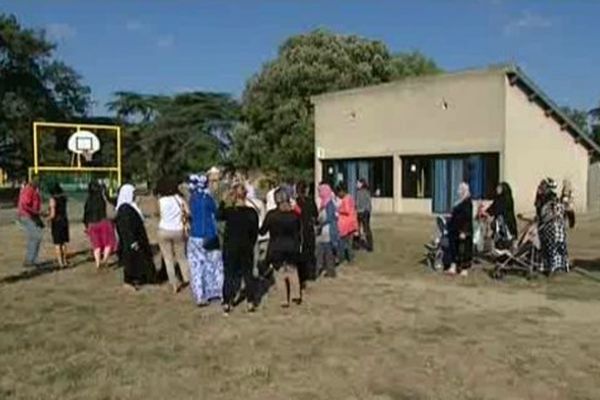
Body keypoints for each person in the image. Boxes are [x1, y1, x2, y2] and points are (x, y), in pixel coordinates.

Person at [219, 184, 259, 313]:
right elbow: (255, 232)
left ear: (234, 196)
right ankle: (250, 301)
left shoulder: (230, 212)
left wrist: (223, 200)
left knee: (229, 274)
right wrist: (251, 243)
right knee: (248, 274)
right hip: (246, 246)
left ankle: (227, 301)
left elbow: (218, 215)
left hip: (231, 246)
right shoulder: (252, 212)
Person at [260, 188, 302, 307]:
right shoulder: (294, 215)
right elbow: (299, 231)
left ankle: (284, 300)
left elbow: (263, 231)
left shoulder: (272, 215)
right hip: (292, 246)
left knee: (279, 274)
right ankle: (296, 295)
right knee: (293, 271)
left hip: (276, 247)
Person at [187, 174, 224, 306]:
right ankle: (216, 291)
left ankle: (199, 295)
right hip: (210, 234)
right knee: (215, 264)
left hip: (195, 235)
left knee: (196, 266)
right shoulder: (208, 199)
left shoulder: (192, 198)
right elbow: (216, 212)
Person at [114, 184, 156, 290]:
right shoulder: (124, 209)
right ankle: (130, 281)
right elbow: (126, 228)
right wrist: (132, 241)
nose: (134, 196)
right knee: (132, 261)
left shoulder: (130, 206)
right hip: (131, 241)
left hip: (137, 239)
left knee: (141, 260)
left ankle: (142, 278)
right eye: (132, 194)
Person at [156, 177, 190, 293]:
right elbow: (188, 212)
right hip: (178, 230)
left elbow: (158, 214)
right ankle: (187, 278)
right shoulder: (179, 199)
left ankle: (173, 283)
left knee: (168, 259)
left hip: (164, 229)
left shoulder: (161, 201)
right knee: (181, 256)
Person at [538, 178, 569, 273]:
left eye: (544, 186)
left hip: (554, 228)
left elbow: (556, 214)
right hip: (547, 228)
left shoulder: (553, 200)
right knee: (547, 246)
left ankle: (556, 266)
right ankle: (548, 266)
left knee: (555, 246)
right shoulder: (543, 199)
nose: (541, 188)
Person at [83, 181, 117, 269]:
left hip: (92, 224)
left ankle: (98, 263)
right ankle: (104, 259)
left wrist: (86, 226)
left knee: (96, 246)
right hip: (103, 222)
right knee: (108, 243)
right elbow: (113, 202)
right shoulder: (102, 197)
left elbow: (86, 214)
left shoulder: (88, 200)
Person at [446, 182, 473, 276]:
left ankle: (464, 268)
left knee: (464, 250)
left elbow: (467, 218)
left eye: (462, 190)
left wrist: (464, 231)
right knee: (454, 248)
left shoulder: (468, 202)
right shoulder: (459, 202)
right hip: (454, 229)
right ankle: (453, 266)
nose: (459, 192)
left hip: (463, 230)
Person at [17, 178, 44, 267]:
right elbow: (25, 205)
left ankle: (32, 259)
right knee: (35, 237)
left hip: (32, 216)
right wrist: (36, 212)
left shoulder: (33, 191)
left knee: (36, 236)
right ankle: (29, 260)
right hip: (27, 216)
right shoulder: (29, 190)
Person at [484, 182, 518, 246]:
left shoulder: (507, 199)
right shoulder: (497, 198)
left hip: (506, 222)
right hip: (498, 222)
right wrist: (486, 212)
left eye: (499, 188)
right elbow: (493, 207)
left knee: (504, 239)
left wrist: (492, 214)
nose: (497, 189)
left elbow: (501, 210)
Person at [317, 183, 340, 276]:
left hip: (328, 231)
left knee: (325, 251)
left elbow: (329, 217)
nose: (319, 193)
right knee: (326, 251)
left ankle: (326, 270)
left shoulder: (329, 204)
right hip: (326, 231)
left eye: (320, 191)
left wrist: (321, 223)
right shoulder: (327, 202)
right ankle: (329, 270)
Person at [48, 183, 70, 268]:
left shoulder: (53, 199)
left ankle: (60, 263)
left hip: (57, 222)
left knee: (57, 243)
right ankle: (65, 261)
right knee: (63, 242)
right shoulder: (64, 198)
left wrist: (47, 218)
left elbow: (53, 214)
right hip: (64, 221)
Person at [336, 183, 359, 264]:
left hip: (347, 225)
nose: (338, 195)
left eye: (338, 193)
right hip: (350, 225)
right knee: (348, 243)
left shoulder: (346, 199)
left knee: (344, 243)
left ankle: (343, 258)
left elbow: (347, 210)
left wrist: (339, 209)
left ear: (342, 191)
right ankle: (349, 258)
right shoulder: (349, 198)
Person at [356, 178, 374, 252]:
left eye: (358, 183)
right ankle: (369, 245)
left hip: (362, 212)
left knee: (360, 229)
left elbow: (358, 203)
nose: (357, 184)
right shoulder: (367, 192)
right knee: (366, 229)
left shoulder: (360, 192)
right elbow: (369, 204)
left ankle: (358, 244)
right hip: (366, 212)